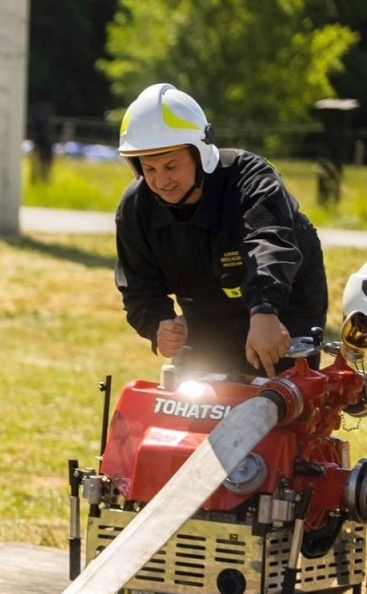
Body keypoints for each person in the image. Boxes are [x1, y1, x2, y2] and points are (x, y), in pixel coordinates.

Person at [113, 82, 328, 377]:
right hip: (204, 314)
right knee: (196, 406)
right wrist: (157, 324)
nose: (161, 181)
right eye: (149, 169)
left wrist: (265, 310)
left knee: (281, 404)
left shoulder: (251, 181)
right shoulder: (136, 208)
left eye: (171, 166)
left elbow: (270, 243)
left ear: (199, 153)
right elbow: (138, 286)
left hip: (284, 304)